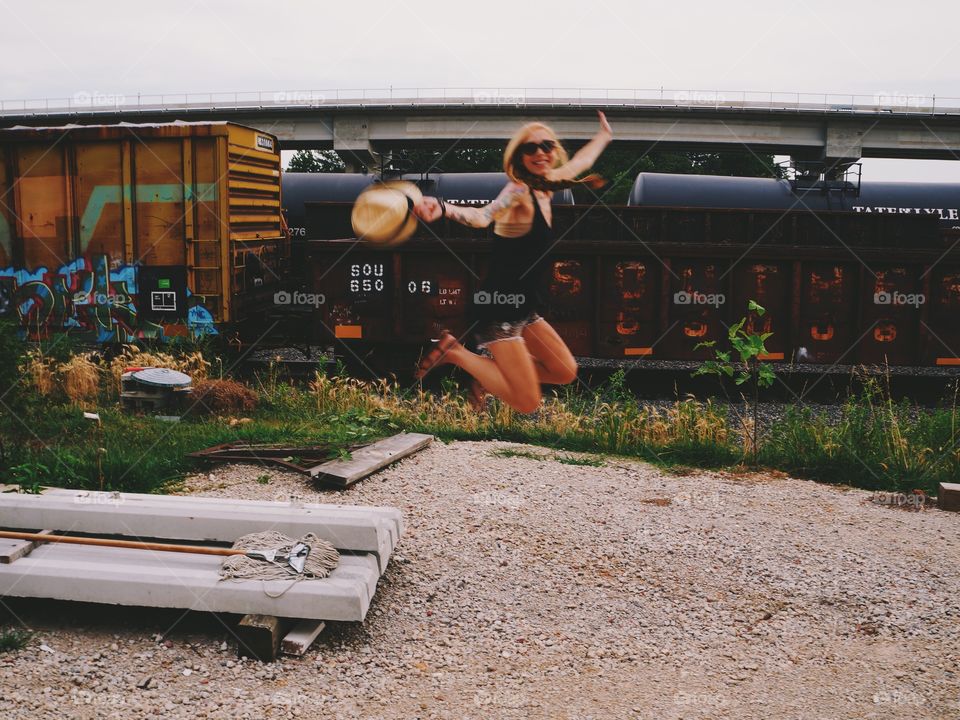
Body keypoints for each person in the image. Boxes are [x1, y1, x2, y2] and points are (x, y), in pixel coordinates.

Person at [412, 111, 613, 413]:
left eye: (546, 146)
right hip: (500, 308)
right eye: (529, 148)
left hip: (524, 307)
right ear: (519, 156)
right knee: (527, 402)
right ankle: (454, 352)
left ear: (554, 151)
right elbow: (483, 216)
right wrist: (443, 207)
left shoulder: (549, 184)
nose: (539, 153)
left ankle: (490, 374)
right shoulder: (518, 190)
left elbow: (581, 163)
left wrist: (604, 136)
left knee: (564, 370)